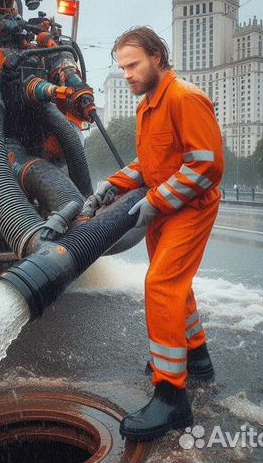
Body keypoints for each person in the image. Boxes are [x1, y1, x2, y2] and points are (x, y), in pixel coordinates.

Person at [96, 27, 224, 441]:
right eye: (122, 67)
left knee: (162, 286)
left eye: (133, 65)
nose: (127, 74)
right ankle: (197, 357)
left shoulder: (184, 98)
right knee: (177, 287)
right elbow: (151, 162)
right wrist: (113, 184)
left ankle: (171, 398)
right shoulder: (148, 103)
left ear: (157, 57)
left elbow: (206, 165)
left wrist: (156, 201)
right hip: (166, 209)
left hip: (189, 208)